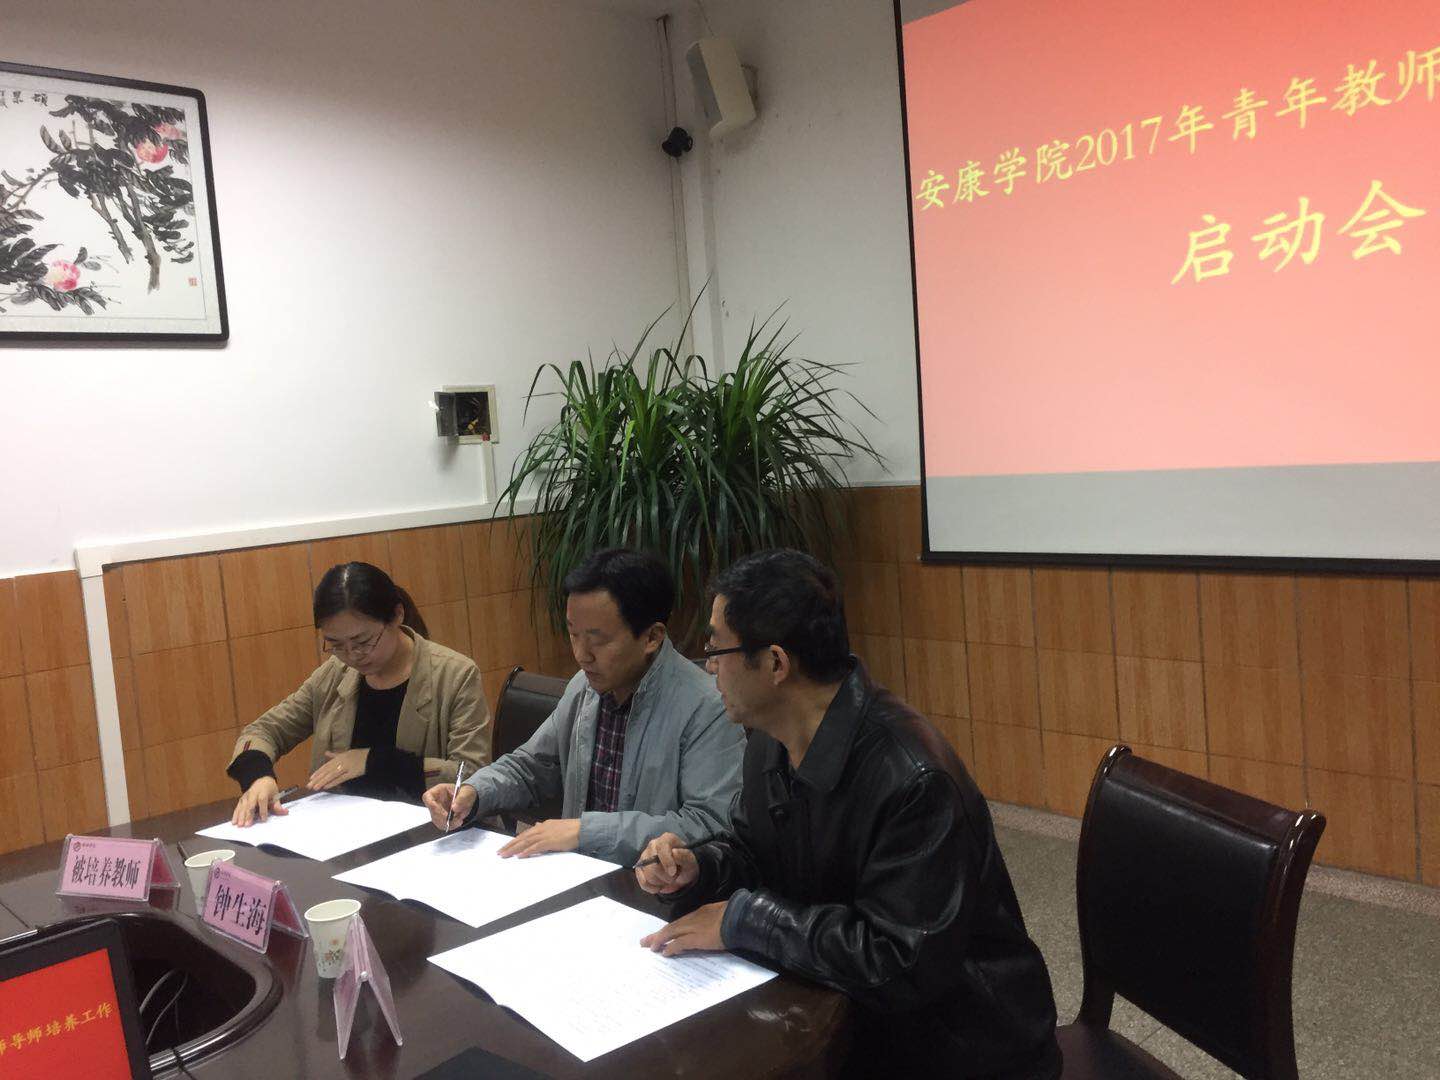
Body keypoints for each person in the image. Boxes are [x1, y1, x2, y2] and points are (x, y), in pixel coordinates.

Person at [635, 550, 1060, 1079]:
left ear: (775, 664)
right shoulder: (770, 739)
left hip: (957, 1044)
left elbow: (897, 961)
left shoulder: (912, 778)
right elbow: (756, 850)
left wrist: (749, 920)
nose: (710, 666)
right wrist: (697, 867)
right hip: (853, 1012)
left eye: (717, 648)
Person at [422, 548, 743, 865]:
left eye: (598, 640)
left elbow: (709, 823)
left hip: (652, 885)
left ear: (652, 637)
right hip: (580, 875)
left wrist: (585, 832)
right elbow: (531, 767)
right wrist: (474, 793)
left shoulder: (708, 708)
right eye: (573, 634)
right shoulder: (584, 688)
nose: (581, 654)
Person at [226, 561, 491, 826]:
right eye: (336, 644)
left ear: (397, 615)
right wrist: (258, 777)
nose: (352, 656)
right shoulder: (336, 673)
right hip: (345, 830)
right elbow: (262, 731)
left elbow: (470, 777)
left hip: (425, 831)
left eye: (363, 642)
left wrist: (375, 762)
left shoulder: (454, 675)